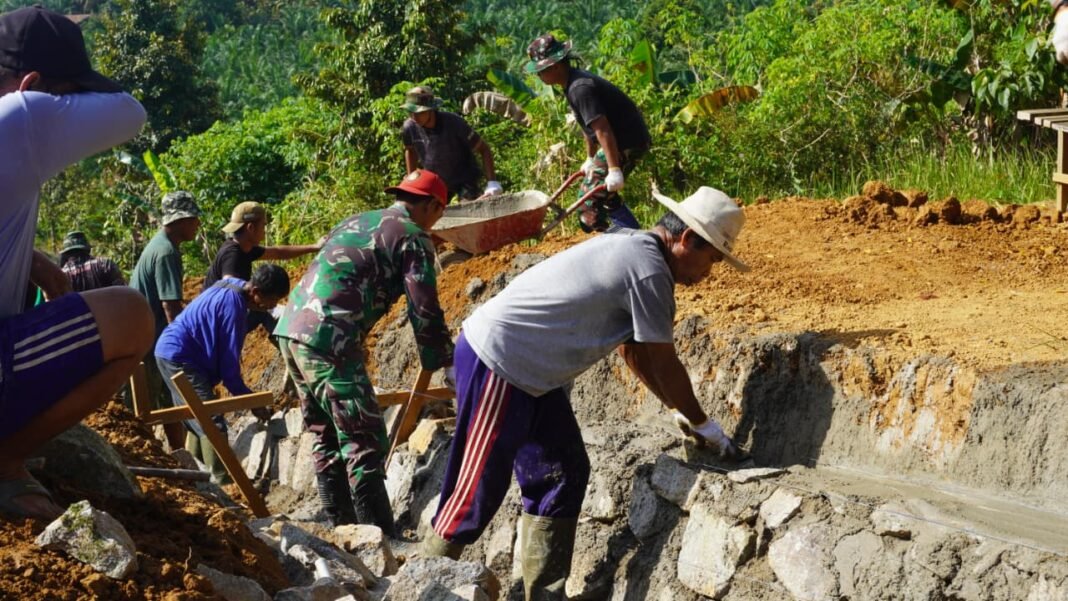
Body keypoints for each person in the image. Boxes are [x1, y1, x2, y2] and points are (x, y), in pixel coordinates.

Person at [421, 185, 750, 600]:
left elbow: (635, 351)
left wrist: (676, 409)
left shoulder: (636, 249)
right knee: (476, 489)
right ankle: (417, 585)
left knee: (563, 470)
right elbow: (663, 362)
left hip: (534, 374)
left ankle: (543, 594)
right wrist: (705, 425)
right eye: (711, 258)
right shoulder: (649, 271)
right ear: (686, 239)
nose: (708, 272)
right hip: (501, 360)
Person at [0, 5, 151, 520]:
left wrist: (37, 260)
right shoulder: (21, 115)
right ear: (34, 83)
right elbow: (130, 111)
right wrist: (42, 100)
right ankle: (5, 462)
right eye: (67, 96)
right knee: (132, 316)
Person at [274, 169, 456, 535]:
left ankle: (342, 529)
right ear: (433, 205)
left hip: (292, 329)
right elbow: (423, 307)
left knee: (326, 431)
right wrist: (446, 363)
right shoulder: (413, 236)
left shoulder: (356, 220)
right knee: (365, 434)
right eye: (440, 212)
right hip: (330, 335)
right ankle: (379, 538)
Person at [156, 264, 290, 483]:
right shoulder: (234, 309)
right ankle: (224, 483)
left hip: (171, 351)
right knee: (211, 421)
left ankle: (199, 478)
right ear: (256, 293)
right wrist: (253, 402)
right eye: (272, 301)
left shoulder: (232, 285)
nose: (272, 306)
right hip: (181, 357)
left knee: (196, 416)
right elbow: (229, 373)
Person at [525, 33, 652, 232]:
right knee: (604, 195)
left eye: (541, 71)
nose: (538, 76)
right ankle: (635, 237)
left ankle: (620, 243)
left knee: (588, 206)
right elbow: (589, 128)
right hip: (618, 141)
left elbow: (603, 129)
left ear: (555, 66)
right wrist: (589, 158)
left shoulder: (579, 88)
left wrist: (614, 170)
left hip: (627, 142)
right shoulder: (571, 84)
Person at [129, 191, 202, 450]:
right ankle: (141, 457)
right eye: (194, 219)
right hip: (148, 343)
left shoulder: (159, 245)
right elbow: (170, 306)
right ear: (181, 220)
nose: (197, 225)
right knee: (142, 411)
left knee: (167, 403)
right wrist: (187, 347)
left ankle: (180, 455)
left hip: (145, 338)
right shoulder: (167, 252)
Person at [204, 201, 320, 335]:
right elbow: (230, 292)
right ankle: (290, 348)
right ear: (251, 228)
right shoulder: (233, 255)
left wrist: (314, 247)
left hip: (217, 318)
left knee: (266, 310)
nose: (265, 230)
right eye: (263, 226)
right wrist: (265, 306)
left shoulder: (244, 248)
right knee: (269, 313)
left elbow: (278, 252)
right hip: (215, 322)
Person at [401, 86, 502, 202]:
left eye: (418, 112)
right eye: (410, 112)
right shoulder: (409, 127)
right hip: (436, 180)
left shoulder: (454, 123)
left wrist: (492, 182)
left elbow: (484, 149)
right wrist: (411, 180)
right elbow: (410, 151)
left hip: (464, 178)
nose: (414, 117)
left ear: (430, 109)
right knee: (428, 212)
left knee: (469, 209)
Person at [59, 231, 125, 292]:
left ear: (66, 253)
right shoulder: (105, 264)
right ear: (87, 249)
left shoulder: (61, 275)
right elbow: (122, 291)